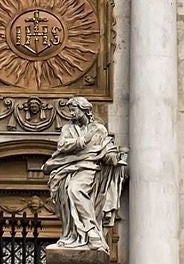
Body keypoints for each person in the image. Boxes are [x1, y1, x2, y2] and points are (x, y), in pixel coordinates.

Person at [43, 97, 127, 253]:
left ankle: (90, 232)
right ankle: (75, 235)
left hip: (90, 168)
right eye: (70, 110)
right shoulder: (68, 129)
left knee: (75, 189)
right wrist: (82, 141)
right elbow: (62, 145)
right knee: (68, 192)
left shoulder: (99, 129)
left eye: (74, 110)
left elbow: (104, 151)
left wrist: (115, 158)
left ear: (85, 110)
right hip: (69, 167)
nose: (71, 113)